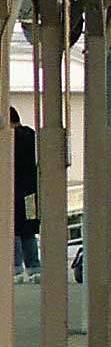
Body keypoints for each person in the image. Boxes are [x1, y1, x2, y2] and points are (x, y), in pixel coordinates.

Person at [10, 108, 38, 283]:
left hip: (12, 191)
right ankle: (34, 267)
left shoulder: (10, 138)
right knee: (28, 230)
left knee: (12, 228)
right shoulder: (31, 135)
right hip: (31, 191)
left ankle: (15, 268)